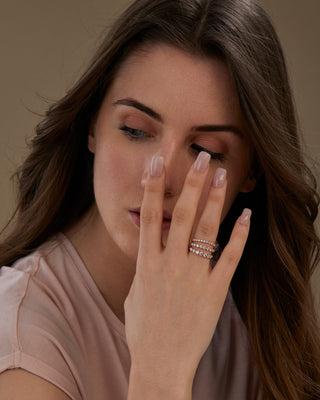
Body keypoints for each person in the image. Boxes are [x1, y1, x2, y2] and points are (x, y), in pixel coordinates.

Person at [0, 0, 319, 398]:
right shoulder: (17, 338)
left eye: (206, 149)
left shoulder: (253, 319)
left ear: (252, 171)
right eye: (135, 131)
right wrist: (161, 371)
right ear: (93, 126)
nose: (162, 179)